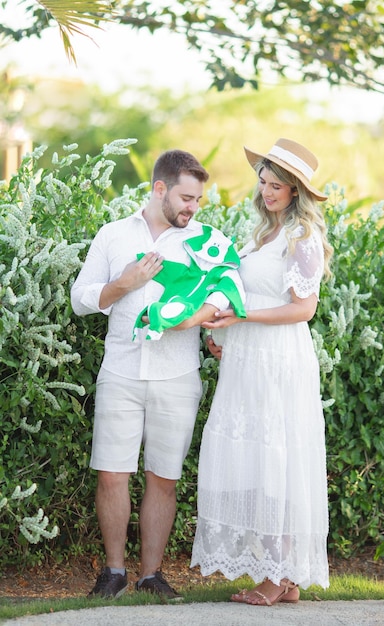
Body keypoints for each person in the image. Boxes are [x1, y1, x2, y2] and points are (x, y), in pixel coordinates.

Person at [71, 149, 244, 600]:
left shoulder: (206, 240)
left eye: (198, 199)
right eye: (186, 198)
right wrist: (121, 285)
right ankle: (113, 571)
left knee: (163, 477)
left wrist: (200, 318)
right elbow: (80, 298)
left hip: (178, 372)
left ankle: (151, 574)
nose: (193, 207)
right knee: (111, 473)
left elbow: (229, 289)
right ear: (159, 189)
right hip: (122, 369)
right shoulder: (113, 236)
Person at [191, 137, 333, 606]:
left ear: (296, 191)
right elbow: (244, 296)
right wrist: (224, 335)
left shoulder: (302, 238)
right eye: (264, 182)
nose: (267, 191)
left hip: (280, 363)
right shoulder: (262, 235)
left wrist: (244, 318)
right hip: (249, 360)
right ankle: (282, 576)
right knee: (253, 460)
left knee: (276, 461)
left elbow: (303, 309)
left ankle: (278, 576)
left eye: (277, 185)